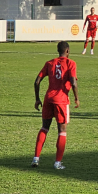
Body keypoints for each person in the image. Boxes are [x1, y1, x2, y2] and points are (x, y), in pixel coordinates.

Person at [32, 41, 80, 170]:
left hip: (48, 100)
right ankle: (57, 163)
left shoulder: (50, 63)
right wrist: (76, 98)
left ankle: (36, 158)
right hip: (61, 101)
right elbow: (73, 83)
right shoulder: (71, 64)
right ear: (68, 51)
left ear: (58, 51)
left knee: (44, 128)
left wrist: (37, 99)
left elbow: (37, 81)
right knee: (62, 131)